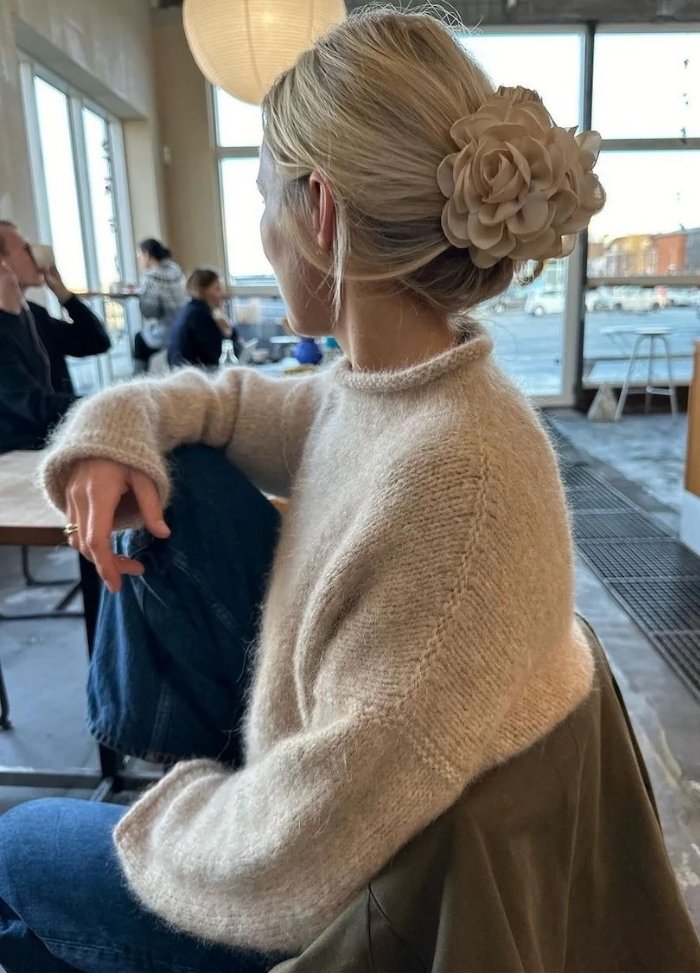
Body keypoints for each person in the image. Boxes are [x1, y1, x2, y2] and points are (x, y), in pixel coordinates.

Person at [0, 9, 698, 973]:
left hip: (350, 906)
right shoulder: (391, 393)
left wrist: (174, 819)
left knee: (17, 845)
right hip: (344, 817)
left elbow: (307, 853)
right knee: (192, 479)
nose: (259, 230)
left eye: (262, 196)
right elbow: (229, 401)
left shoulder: (456, 484)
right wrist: (116, 434)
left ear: (320, 213)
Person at [0, 220, 111, 454]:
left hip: (53, 444)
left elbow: (96, 341)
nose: (36, 254)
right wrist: (105, 404)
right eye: (26, 248)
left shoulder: (34, 315)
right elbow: (31, 404)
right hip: (17, 458)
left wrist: (64, 294)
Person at [168, 268, 243, 369]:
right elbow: (220, 357)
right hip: (196, 376)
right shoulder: (200, 316)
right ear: (203, 291)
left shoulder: (188, 310)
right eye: (218, 289)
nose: (223, 294)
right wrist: (229, 332)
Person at [134, 238, 187, 373]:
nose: (139, 260)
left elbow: (149, 311)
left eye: (139, 256)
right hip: (183, 325)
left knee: (139, 339)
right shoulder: (175, 271)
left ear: (146, 254)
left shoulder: (152, 278)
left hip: (167, 331)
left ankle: (139, 380)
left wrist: (141, 293)